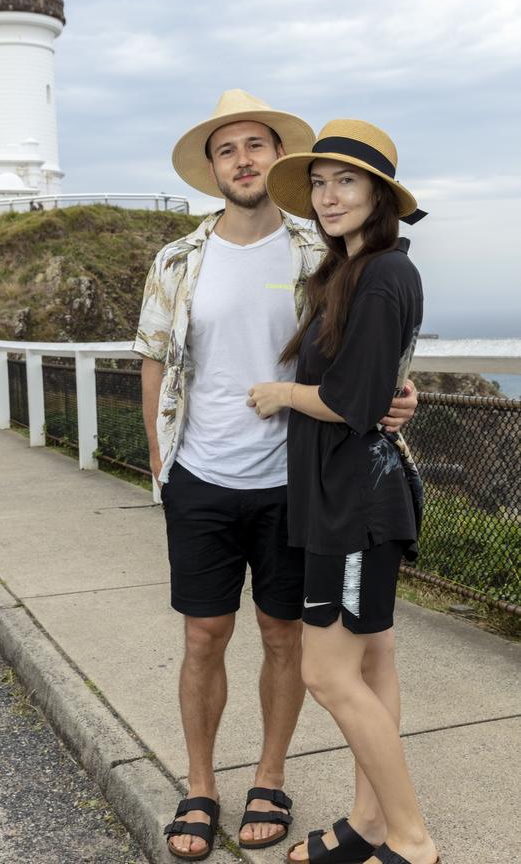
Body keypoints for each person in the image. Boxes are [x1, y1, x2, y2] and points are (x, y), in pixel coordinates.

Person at [135, 93, 418, 861]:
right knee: (203, 635)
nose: (243, 160)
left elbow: (367, 336)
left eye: (256, 145)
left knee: (284, 636)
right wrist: (164, 468)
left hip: (295, 482)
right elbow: (154, 361)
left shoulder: (317, 250)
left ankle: (270, 775)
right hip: (200, 474)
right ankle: (200, 785)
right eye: (227, 150)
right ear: (212, 168)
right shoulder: (176, 260)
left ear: (274, 156)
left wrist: (400, 387)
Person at [248, 119, 439, 864]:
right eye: (320, 183)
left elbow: (356, 403)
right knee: (372, 661)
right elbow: (373, 383)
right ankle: (366, 822)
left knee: (327, 672)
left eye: (346, 181)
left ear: (380, 195)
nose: (329, 196)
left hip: (355, 507)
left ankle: (412, 839)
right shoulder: (345, 272)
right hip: (339, 497)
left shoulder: (387, 271)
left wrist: (281, 395)